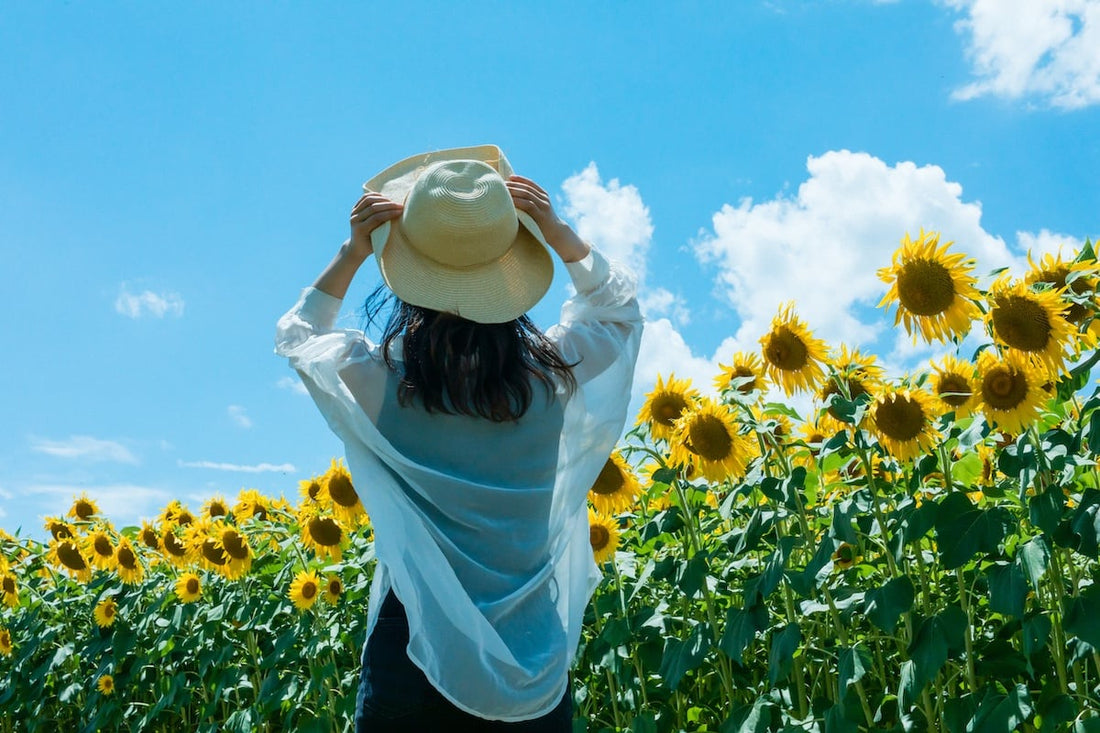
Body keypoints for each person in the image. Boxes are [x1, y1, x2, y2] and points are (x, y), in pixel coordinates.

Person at [274, 145, 643, 731]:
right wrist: (559, 232)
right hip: (530, 656)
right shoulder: (552, 381)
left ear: (406, 274)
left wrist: (350, 254)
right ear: (512, 269)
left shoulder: (383, 386)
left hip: (416, 641)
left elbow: (299, 336)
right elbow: (617, 309)